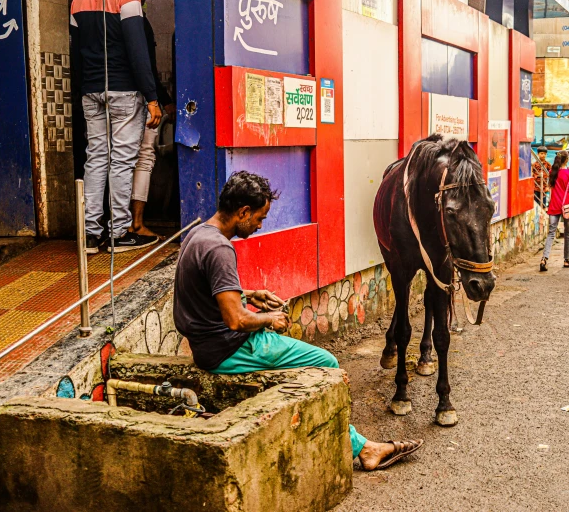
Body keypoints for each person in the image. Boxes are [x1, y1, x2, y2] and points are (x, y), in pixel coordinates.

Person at [173, 171, 423, 471]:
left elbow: (211, 292)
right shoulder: (220, 249)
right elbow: (236, 321)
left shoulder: (199, 235)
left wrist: (250, 293)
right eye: (259, 218)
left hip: (207, 345)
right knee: (327, 364)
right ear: (243, 212)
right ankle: (363, 448)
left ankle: (362, 445)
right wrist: (270, 319)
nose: (259, 225)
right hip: (229, 349)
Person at [71, 0, 162, 254]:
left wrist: (84, 88)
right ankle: (119, 233)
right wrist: (152, 96)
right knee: (122, 159)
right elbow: (137, 49)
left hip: (92, 91)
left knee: (96, 157)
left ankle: (89, 235)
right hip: (124, 91)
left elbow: (76, 53)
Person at [129, 0, 177, 238]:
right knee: (144, 157)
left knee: (120, 160)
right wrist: (157, 100)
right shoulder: (135, 20)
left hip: (121, 96)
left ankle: (122, 224)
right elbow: (144, 65)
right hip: (140, 99)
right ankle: (135, 223)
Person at [540, 150, 569, 272]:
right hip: (567, 207)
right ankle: (567, 260)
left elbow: (550, 188)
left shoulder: (553, 172)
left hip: (554, 206)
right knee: (567, 233)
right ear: (567, 160)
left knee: (551, 233)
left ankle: (544, 258)